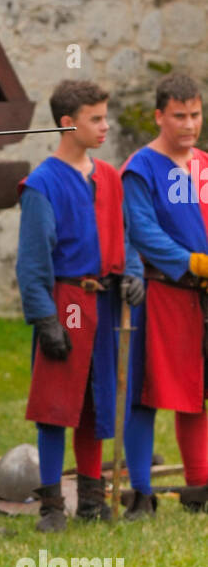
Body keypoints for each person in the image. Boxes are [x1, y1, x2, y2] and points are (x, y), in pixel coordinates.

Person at [16, 80, 144, 530]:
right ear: (68, 124)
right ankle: (52, 506)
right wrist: (45, 318)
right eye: (96, 118)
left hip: (106, 303)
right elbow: (32, 261)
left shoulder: (108, 177)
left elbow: (125, 237)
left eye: (105, 116)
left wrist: (133, 273)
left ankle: (92, 499)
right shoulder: (42, 184)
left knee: (98, 403)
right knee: (56, 405)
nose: (105, 126)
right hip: (65, 301)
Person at [121, 72, 208, 517]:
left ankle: (200, 487)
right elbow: (141, 231)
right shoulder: (140, 168)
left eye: (195, 114)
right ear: (160, 115)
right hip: (160, 294)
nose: (189, 124)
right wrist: (190, 262)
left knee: (198, 391)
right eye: (180, 115)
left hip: (203, 300)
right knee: (147, 392)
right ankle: (140, 493)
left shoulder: (205, 164)